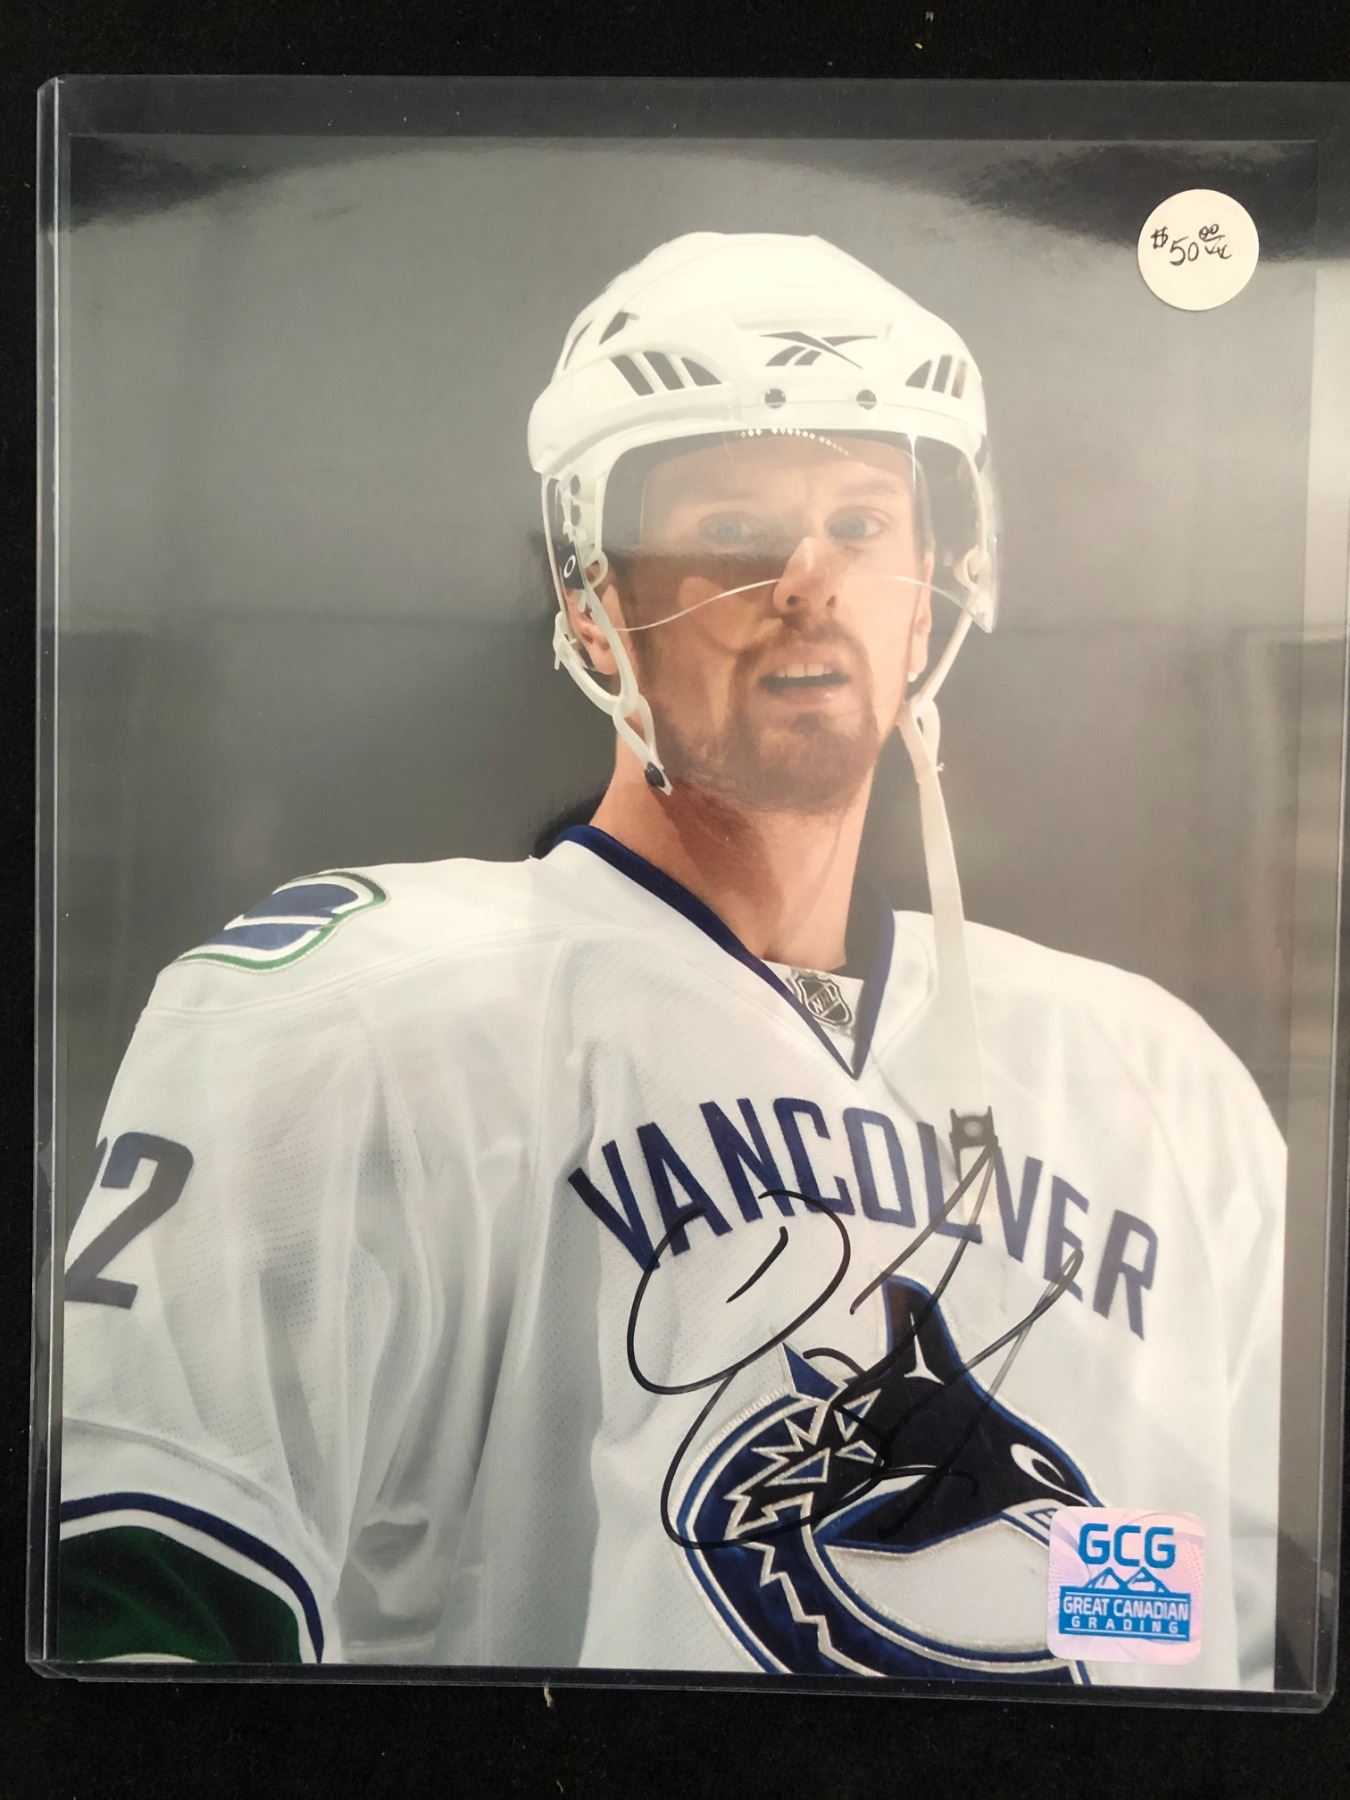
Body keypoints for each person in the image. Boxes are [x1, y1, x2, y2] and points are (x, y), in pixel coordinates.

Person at [58, 232, 1283, 1688]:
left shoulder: (1158, 1081)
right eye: (731, 527)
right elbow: (154, 1604)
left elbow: (1205, 1639)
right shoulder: (358, 1013)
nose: (807, 578)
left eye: (860, 520)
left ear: (933, 589)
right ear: (592, 597)